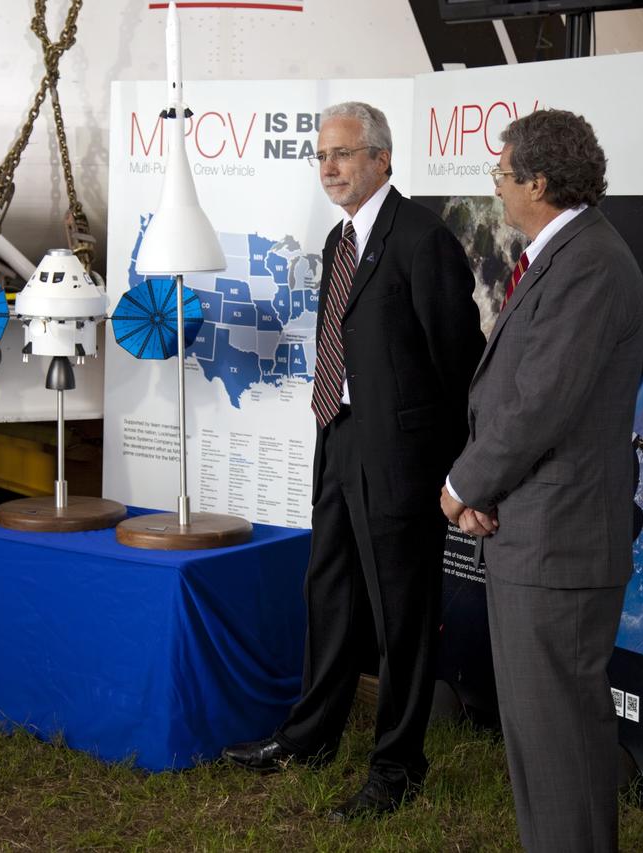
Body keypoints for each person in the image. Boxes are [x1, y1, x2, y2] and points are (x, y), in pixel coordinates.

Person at [223, 102, 485, 819]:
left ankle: (398, 768)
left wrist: (457, 471)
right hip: (338, 438)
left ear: (382, 159)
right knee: (329, 592)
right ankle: (310, 737)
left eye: (343, 154)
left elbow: (461, 365)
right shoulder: (342, 241)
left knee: (401, 615)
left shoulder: (423, 240)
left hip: (400, 462)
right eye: (322, 156)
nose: (329, 167)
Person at [440, 110, 643, 852]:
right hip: (537, 532)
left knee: (558, 742)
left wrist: (464, 486)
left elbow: (540, 404)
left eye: (500, 175)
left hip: (558, 544)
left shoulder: (589, 263)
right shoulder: (565, 255)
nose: (495, 188)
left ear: (538, 180)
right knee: (543, 739)